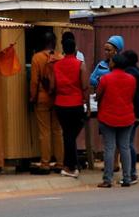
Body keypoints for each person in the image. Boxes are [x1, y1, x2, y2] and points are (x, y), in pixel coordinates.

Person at [95, 53, 136, 188]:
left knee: (109, 148)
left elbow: (98, 95)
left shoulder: (105, 78)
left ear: (114, 63)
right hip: (127, 116)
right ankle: (127, 178)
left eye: (111, 61)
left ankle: (108, 179)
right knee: (124, 147)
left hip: (108, 116)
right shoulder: (131, 79)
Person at [51, 35, 89, 178]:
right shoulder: (80, 64)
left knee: (68, 134)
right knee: (71, 135)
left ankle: (69, 166)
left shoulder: (56, 65)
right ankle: (72, 166)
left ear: (63, 49)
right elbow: (85, 86)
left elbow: (53, 86)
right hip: (76, 103)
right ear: (75, 49)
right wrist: (88, 106)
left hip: (61, 104)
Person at [29, 32, 63, 173]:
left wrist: (32, 97)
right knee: (57, 131)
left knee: (44, 132)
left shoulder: (37, 58)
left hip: (42, 99)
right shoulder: (60, 57)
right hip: (57, 99)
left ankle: (45, 163)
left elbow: (34, 81)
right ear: (54, 43)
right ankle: (60, 162)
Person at [121, 50, 139, 184]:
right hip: (138, 110)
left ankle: (131, 172)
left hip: (133, 111)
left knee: (127, 143)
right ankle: (131, 171)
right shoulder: (137, 71)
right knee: (128, 142)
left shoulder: (130, 73)